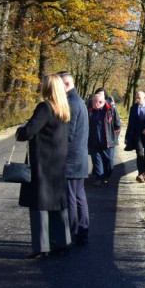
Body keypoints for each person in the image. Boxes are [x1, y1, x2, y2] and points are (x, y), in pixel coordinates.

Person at [16, 74, 72, 259]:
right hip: (58, 162)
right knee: (57, 203)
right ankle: (61, 241)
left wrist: (20, 130)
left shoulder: (45, 107)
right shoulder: (63, 108)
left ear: (47, 88)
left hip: (43, 163)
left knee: (39, 204)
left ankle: (41, 246)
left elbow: (28, 132)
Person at [59, 71, 90, 246]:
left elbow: (67, 135)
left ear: (66, 84)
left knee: (71, 198)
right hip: (79, 158)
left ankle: (72, 233)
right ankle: (82, 232)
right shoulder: (79, 101)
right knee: (79, 196)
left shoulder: (71, 103)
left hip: (71, 159)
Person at [88, 92, 120, 184]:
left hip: (108, 141)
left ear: (101, 102)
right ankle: (99, 178)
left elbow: (117, 126)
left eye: (94, 102)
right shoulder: (90, 110)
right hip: (94, 140)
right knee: (97, 160)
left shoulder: (111, 110)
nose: (93, 103)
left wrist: (114, 137)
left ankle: (107, 176)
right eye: (93, 101)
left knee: (109, 160)